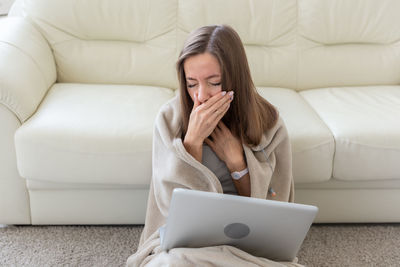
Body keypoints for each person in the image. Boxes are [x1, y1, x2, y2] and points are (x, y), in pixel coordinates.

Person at [126, 24, 300, 267]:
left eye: (214, 82)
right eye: (192, 84)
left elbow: (276, 210)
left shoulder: (269, 124)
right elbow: (168, 209)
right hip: (184, 248)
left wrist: (237, 163)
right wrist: (191, 144)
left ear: (235, 79)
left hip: (248, 247)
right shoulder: (169, 120)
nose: (201, 96)